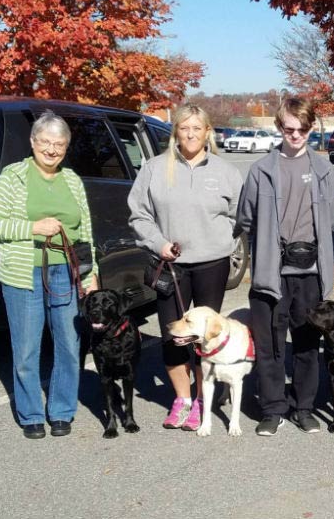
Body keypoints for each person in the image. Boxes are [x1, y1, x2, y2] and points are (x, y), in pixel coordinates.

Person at [0, 111, 99, 439]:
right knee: (27, 348)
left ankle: (61, 410)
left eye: (58, 144)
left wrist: (92, 276)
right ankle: (31, 412)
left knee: (69, 344)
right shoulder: (14, 175)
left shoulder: (72, 180)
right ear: (33, 142)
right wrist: (33, 227)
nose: (51, 149)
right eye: (45, 142)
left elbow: (86, 231)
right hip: (23, 274)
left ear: (66, 147)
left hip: (67, 271)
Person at [128, 104, 242, 431]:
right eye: (183, 128)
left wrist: (223, 243)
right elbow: (139, 215)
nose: (190, 134)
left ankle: (204, 397)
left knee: (204, 336)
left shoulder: (226, 172)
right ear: (175, 131)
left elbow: (239, 217)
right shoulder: (154, 169)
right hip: (170, 265)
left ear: (208, 132)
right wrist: (158, 243)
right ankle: (183, 399)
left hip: (212, 265)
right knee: (174, 334)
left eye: (197, 128)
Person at [236, 97, 334, 436]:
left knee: (308, 344)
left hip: (309, 273)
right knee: (270, 346)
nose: (295, 135)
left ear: (311, 129)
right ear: (280, 127)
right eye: (289, 129)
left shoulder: (323, 169)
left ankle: (304, 407)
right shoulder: (261, 170)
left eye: (303, 130)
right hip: (270, 274)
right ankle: (272, 409)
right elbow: (246, 217)